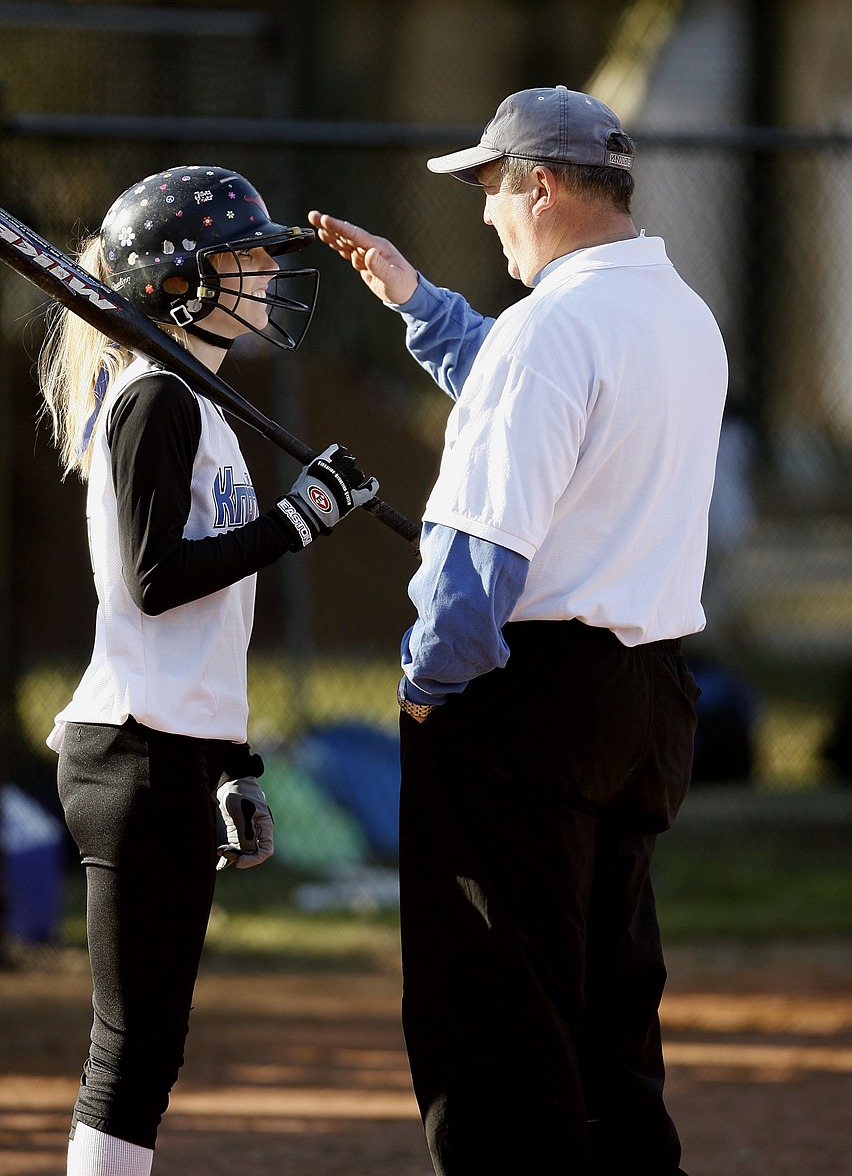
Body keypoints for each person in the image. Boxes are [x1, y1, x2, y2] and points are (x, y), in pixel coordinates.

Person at [309, 86, 728, 1176]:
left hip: (524, 704)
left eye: (493, 186)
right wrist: (418, 301)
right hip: (645, 699)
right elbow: (536, 385)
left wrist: (421, 688)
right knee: (605, 1017)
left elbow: (475, 562)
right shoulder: (679, 311)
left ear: (541, 185)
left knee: (493, 1025)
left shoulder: (553, 327)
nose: (486, 211)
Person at [38, 164, 379, 1176]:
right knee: (133, 1046)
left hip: (174, 749)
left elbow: (209, 631)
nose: (266, 271)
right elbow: (152, 583)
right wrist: (295, 522)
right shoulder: (156, 400)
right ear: (178, 282)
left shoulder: (204, 402)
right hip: (130, 753)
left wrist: (234, 766)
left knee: (151, 1046)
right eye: (243, 255)